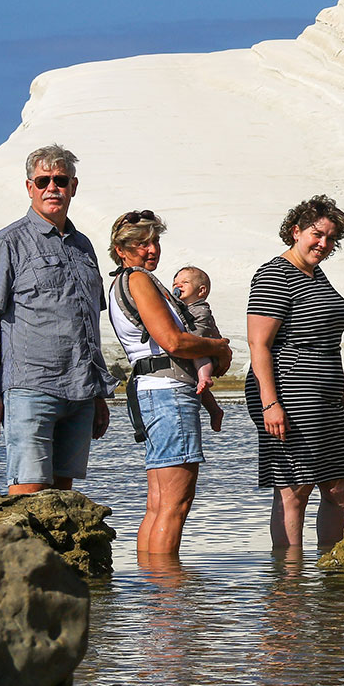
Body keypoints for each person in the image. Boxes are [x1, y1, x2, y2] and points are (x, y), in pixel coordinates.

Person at [0, 144, 115, 494]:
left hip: (80, 392)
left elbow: (88, 325)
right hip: (31, 389)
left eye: (61, 180)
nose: (53, 187)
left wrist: (97, 395)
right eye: (44, 180)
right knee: (29, 497)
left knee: (64, 504)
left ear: (73, 186)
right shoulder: (6, 244)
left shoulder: (83, 246)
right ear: (29, 187)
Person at [107, 210, 232, 553]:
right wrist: (219, 347)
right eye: (141, 243)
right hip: (168, 393)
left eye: (155, 241)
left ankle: (154, 589)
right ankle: (169, 597)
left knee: (159, 503)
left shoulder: (124, 282)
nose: (151, 249)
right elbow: (173, 341)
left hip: (153, 392)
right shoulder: (138, 281)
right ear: (121, 248)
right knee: (175, 504)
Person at [245, 195, 344, 549]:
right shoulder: (275, 273)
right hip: (288, 391)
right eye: (317, 234)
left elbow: (323, 336)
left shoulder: (315, 273)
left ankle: (332, 575)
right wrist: (269, 404)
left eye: (330, 238)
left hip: (323, 394)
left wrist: (337, 391)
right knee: (295, 488)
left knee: (339, 486)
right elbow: (258, 343)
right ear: (296, 231)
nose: (323, 244)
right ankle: (289, 586)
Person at [171, 265, 226, 432]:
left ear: (201, 291)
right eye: (175, 283)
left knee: (198, 357)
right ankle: (214, 410)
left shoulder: (201, 309)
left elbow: (199, 333)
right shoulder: (182, 308)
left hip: (205, 350)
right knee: (198, 385)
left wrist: (189, 342)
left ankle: (206, 377)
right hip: (198, 355)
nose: (178, 286)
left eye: (185, 282)